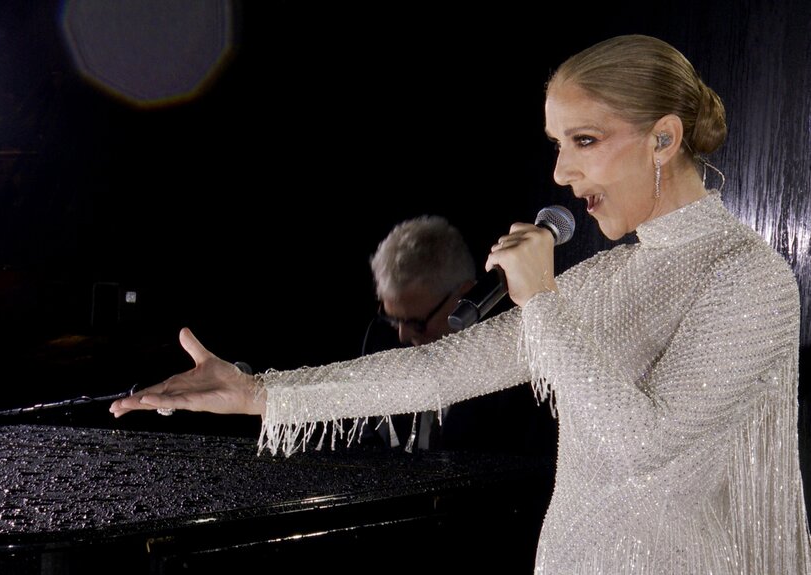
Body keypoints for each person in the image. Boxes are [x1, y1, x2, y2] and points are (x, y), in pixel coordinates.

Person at [111, 34, 811, 573]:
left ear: (664, 137)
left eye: (585, 141)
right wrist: (257, 393)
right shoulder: (606, 280)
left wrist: (540, 298)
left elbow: (645, 444)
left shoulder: (747, 278)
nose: (562, 173)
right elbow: (439, 370)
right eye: (558, 145)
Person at [364, 215, 549, 455]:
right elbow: (367, 445)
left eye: (416, 323)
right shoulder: (379, 340)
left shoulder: (517, 368)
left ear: (464, 296)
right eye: (393, 319)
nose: (402, 335)